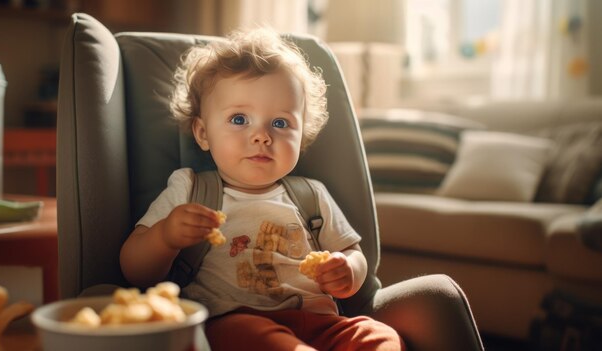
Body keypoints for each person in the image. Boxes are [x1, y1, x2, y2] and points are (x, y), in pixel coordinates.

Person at [119, 28, 405, 351]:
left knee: (381, 337)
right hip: (233, 321)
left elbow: (354, 254)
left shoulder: (311, 195)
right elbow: (134, 269)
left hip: (321, 324)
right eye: (239, 119)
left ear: (302, 135)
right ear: (202, 133)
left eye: (280, 124)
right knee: (247, 337)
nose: (262, 136)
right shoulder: (191, 188)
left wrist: (348, 269)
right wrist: (165, 236)